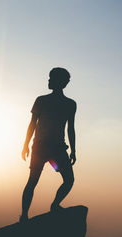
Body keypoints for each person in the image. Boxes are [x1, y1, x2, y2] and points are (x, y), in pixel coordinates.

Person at [20, 67, 77, 222]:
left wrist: (73, 150)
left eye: (52, 79)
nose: (49, 81)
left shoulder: (63, 103)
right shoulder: (51, 101)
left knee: (34, 181)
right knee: (63, 180)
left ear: (61, 83)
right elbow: (32, 124)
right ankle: (33, 212)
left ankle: (27, 215)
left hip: (47, 147)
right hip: (49, 148)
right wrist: (25, 144)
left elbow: (70, 128)